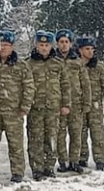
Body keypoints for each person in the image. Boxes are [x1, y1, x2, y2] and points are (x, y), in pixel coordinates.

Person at [0, 30, 33, 183]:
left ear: (12, 46)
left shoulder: (21, 65)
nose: (3, 48)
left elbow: (29, 87)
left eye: (6, 45)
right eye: (1, 44)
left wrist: (25, 106)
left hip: (14, 111)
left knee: (15, 144)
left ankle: (18, 172)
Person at [27, 31, 71, 181]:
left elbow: (65, 85)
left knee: (52, 138)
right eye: (41, 45)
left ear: (51, 46)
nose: (44, 48)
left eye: (47, 45)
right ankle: (37, 168)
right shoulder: (29, 64)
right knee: (35, 139)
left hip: (53, 108)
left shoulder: (58, 64)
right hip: (35, 108)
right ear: (36, 45)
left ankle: (49, 166)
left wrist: (66, 104)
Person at [55, 29, 92, 174]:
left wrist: (87, 102)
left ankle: (74, 161)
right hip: (59, 103)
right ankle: (63, 162)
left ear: (70, 44)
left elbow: (85, 83)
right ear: (57, 44)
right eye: (61, 42)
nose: (64, 44)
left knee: (76, 134)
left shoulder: (77, 61)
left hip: (76, 103)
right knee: (60, 135)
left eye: (66, 42)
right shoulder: (53, 61)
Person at [77, 36, 104, 171]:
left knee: (97, 133)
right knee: (80, 133)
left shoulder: (99, 66)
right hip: (79, 104)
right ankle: (81, 158)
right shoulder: (75, 65)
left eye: (92, 49)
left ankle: (100, 159)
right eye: (87, 49)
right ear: (80, 50)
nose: (90, 51)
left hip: (95, 104)